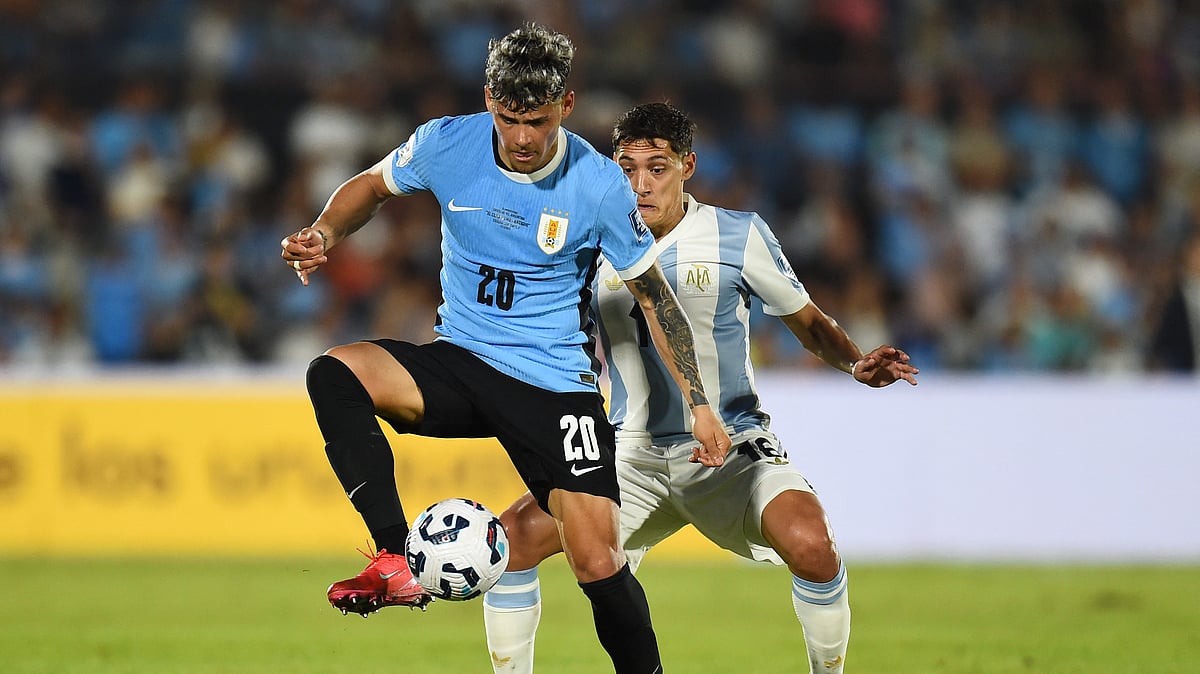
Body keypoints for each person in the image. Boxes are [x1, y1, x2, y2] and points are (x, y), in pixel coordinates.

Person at [279, 25, 730, 674]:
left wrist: (698, 402)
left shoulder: (599, 185)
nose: (522, 137)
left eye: (539, 122)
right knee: (335, 372)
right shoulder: (445, 142)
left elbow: (654, 299)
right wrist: (324, 231)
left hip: (557, 389)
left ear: (567, 106)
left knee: (597, 559)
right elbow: (371, 187)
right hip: (461, 361)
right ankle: (395, 560)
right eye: (510, 117)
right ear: (489, 98)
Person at [482, 102, 919, 674]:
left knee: (813, 545)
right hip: (629, 454)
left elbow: (808, 322)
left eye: (656, 167)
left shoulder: (738, 235)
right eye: (627, 168)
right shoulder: (590, 244)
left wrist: (856, 363)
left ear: (687, 166)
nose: (640, 185)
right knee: (509, 543)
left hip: (730, 448)